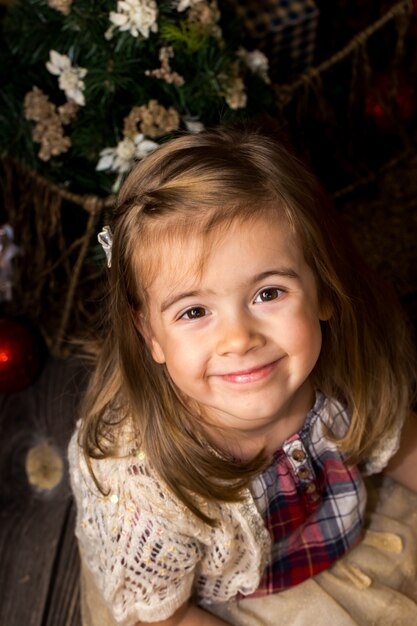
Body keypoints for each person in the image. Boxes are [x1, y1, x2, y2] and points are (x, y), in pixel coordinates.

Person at [68, 125, 417, 626]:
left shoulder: (340, 373)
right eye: (193, 312)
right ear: (150, 335)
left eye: (268, 293)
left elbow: (402, 440)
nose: (239, 339)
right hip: (216, 606)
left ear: (321, 290)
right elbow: (162, 617)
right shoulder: (137, 482)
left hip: (346, 546)